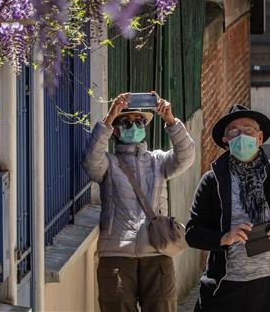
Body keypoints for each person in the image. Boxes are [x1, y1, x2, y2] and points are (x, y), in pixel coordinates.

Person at [186, 104, 270, 312]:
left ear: (259, 137)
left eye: (248, 130)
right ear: (226, 140)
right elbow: (193, 233)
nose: (242, 136)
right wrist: (224, 238)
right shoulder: (213, 181)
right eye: (234, 131)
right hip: (226, 286)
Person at [83, 91, 196, 312]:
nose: (134, 126)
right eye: (126, 122)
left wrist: (171, 121)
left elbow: (186, 157)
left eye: (139, 122)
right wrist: (108, 119)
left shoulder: (159, 161)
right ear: (116, 130)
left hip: (157, 251)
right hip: (116, 254)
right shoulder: (108, 164)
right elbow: (90, 161)